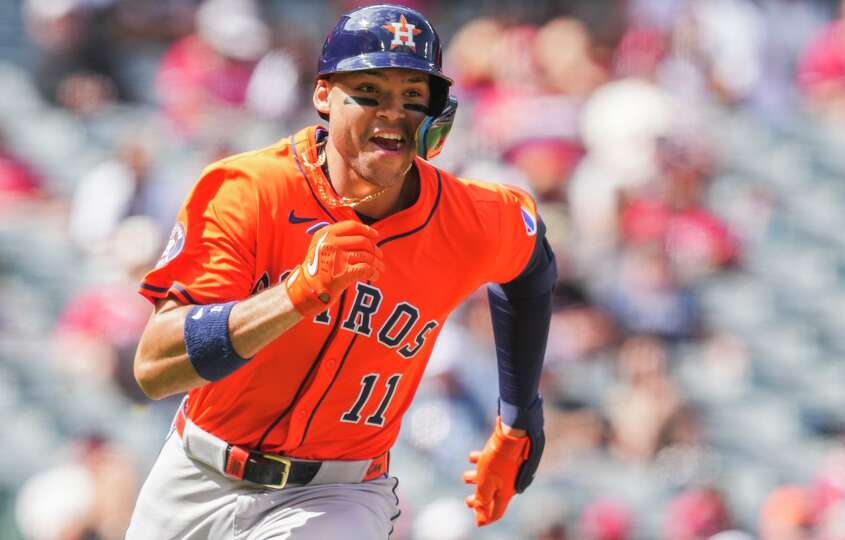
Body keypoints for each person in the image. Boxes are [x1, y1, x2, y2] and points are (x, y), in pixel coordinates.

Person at [125, 4, 556, 539]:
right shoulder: (253, 190)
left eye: (412, 96)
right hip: (197, 472)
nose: (392, 113)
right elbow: (155, 366)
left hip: (338, 494)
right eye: (370, 92)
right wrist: (296, 296)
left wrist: (519, 417)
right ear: (324, 94)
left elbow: (533, 266)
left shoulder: (470, 219)